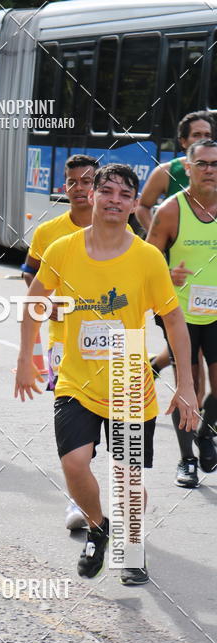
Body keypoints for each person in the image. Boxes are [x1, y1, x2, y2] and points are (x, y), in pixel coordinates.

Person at [15, 163, 197, 586]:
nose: (115, 199)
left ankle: (130, 548)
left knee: (129, 477)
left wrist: (185, 384)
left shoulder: (147, 258)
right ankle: (98, 528)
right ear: (92, 195)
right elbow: (34, 303)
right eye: (107, 190)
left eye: (124, 194)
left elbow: (174, 322)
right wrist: (27, 358)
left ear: (135, 204)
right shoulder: (63, 249)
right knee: (75, 462)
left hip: (129, 380)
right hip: (76, 378)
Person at [22, 154, 99, 531]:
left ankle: (91, 492)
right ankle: (77, 500)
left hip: (110, 345)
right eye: (73, 182)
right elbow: (30, 274)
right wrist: (46, 303)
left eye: (87, 181)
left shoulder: (120, 228)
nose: (80, 188)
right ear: (63, 187)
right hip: (63, 344)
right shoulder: (48, 232)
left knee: (104, 426)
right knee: (72, 422)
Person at [146, 138, 217, 486]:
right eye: (202, 163)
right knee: (187, 386)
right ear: (187, 168)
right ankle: (186, 460)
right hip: (180, 314)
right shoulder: (171, 210)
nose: (210, 170)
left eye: (216, 164)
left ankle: (206, 434)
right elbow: (147, 259)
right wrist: (166, 272)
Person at [136, 111, 215, 232]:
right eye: (197, 135)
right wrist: (159, 236)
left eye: (207, 135)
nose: (203, 140)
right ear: (183, 141)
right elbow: (142, 207)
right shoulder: (166, 172)